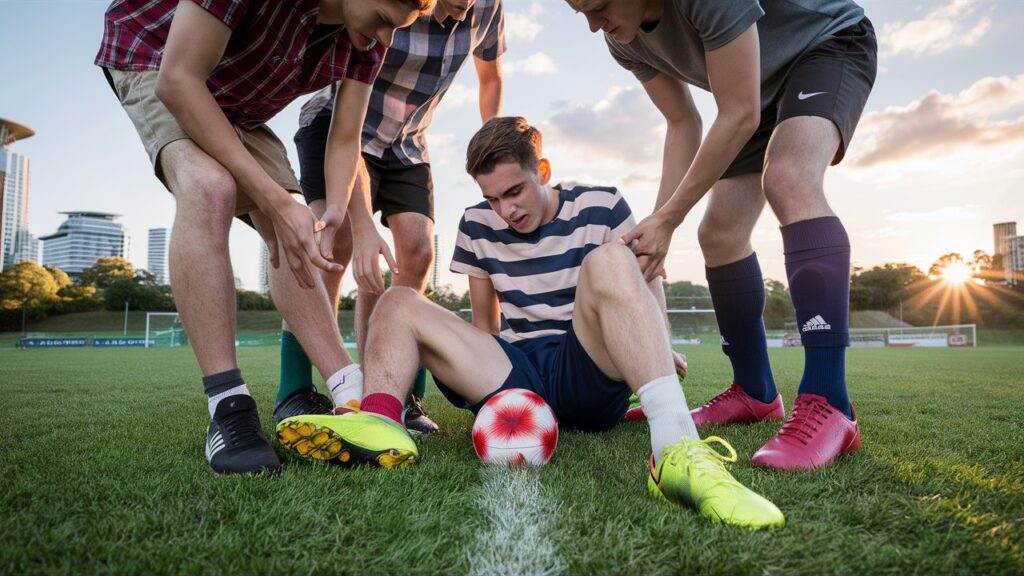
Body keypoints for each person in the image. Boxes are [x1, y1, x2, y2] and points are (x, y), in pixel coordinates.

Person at [275, 117, 784, 530]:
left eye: (515, 191)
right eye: (493, 198)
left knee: (610, 259)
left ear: (541, 168)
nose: (505, 209)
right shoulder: (477, 224)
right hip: (514, 370)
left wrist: (657, 346)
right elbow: (484, 322)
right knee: (399, 299)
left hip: (584, 361)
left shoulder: (602, 203)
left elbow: (645, 279)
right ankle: (381, 422)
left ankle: (676, 451)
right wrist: (467, 367)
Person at [95, 0, 434, 474]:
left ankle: (349, 390)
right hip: (162, 60)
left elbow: (343, 140)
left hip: (234, 103)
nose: (384, 38)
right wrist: (276, 201)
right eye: (381, 18)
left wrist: (335, 210)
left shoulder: (368, 44)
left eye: (396, 29)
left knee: (290, 228)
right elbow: (180, 80)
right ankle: (228, 409)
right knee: (213, 189)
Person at [567, 0, 877, 470]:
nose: (593, 25)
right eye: (581, 14)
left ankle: (829, 400)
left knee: (789, 178)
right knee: (718, 234)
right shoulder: (622, 39)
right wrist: (659, 224)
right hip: (756, 92)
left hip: (825, 46)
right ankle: (754, 391)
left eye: (600, 6)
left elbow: (737, 113)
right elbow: (682, 122)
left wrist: (670, 218)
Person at [273, 0, 506, 434]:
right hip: (338, 125)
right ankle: (293, 389)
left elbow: (489, 75)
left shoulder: (488, 10)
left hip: (407, 141)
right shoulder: (391, 7)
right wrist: (361, 230)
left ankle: (392, 393)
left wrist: (494, 138)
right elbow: (347, 132)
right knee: (334, 246)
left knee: (415, 255)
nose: (464, 4)